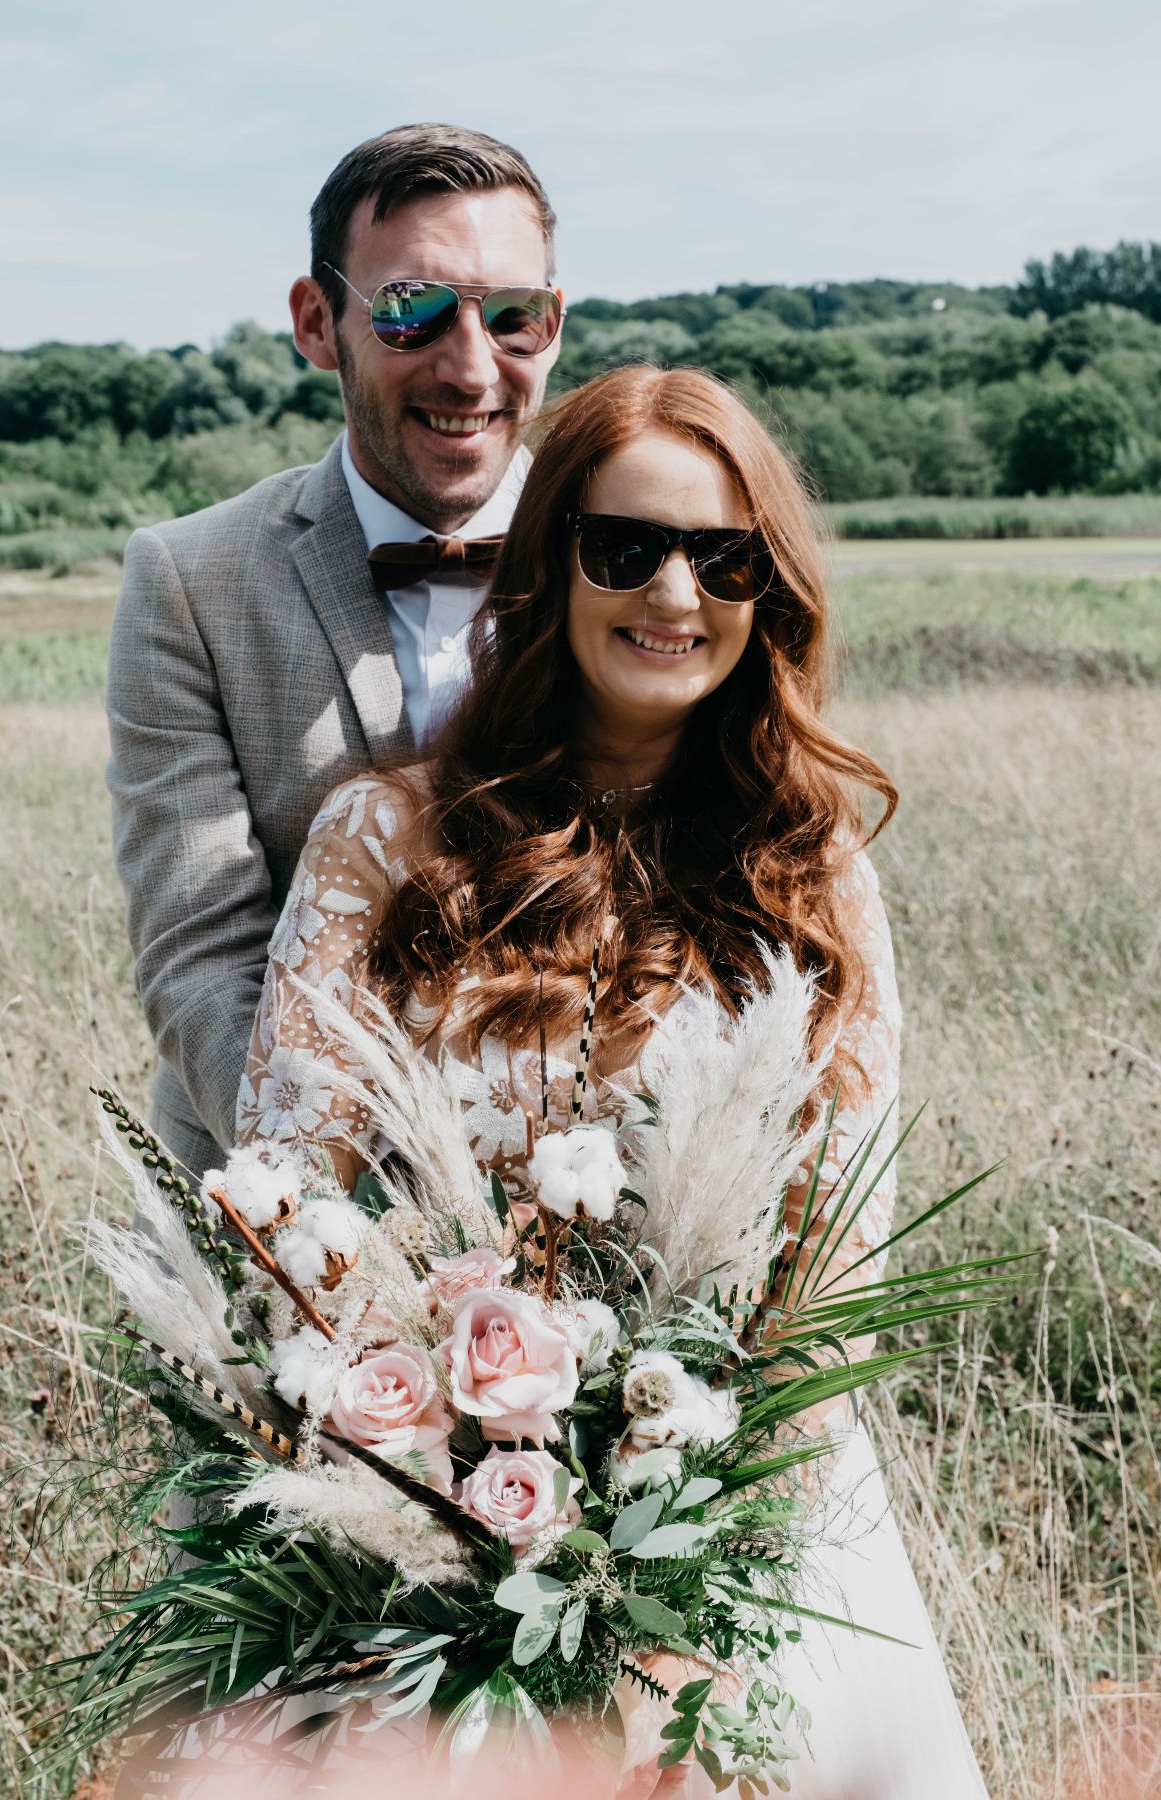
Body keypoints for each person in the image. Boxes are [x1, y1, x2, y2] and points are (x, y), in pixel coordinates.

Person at [234, 363, 989, 1797]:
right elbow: (296, 1221)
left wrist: (682, 1575)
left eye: (723, 557)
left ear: (770, 587)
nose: (676, 593)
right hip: (422, 1530)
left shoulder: (815, 877)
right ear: (549, 564)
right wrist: (444, 1505)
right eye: (625, 546)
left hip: (741, 1533)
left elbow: (831, 1268)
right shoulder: (386, 844)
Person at [106, 122, 564, 1182]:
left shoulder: (640, 552)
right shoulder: (187, 581)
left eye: (512, 316)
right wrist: (334, 1211)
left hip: (598, 1227)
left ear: (554, 322)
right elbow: (201, 956)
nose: (469, 365)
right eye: (410, 310)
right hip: (280, 1224)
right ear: (319, 323)